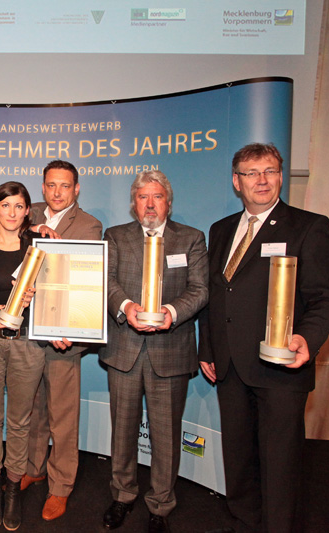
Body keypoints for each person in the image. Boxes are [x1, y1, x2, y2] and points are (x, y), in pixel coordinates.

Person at [199, 143, 329, 533]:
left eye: (270, 171)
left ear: (280, 176)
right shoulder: (221, 229)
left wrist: (307, 338)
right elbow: (216, 294)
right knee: (239, 458)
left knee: (281, 464)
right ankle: (245, 521)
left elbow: (328, 299)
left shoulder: (309, 227)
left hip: (280, 366)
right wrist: (207, 348)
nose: (261, 180)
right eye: (251, 173)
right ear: (237, 182)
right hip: (229, 366)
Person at [99, 170, 208, 533]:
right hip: (125, 350)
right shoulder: (116, 236)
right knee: (122, 431)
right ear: (134, 203)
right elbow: (107, 281)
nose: (149, 204)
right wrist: (127, 306)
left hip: (170, 350)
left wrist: (171, 313)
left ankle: (160, 504)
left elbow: (200, 289)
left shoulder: (191, 238)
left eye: (157, 196)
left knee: (166, 435)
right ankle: (123, 494)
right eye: (142, 197)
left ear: (168, 202)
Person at [22, 159, 102, 521]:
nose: (57, 192)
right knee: (33, 409)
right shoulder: (28, 212)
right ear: (42, 187)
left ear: (77, 189)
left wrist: (62, 328)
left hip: (62, 336)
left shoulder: (88, 225)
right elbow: (0, 232)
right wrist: (31, 229)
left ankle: (61, 486)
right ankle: (34, 468)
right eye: (51, 185)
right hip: (27, 330)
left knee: (63, 417)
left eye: (65, 186)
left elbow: (83, 280)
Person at [0, 182, 43, 531]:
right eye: (6, 205)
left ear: (28, 210)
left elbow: (59, 294)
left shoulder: (40, 248)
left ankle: (13, 487)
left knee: (19, 421)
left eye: (19, 206)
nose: (12, 212)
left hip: (28, 344)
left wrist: (39, 296)